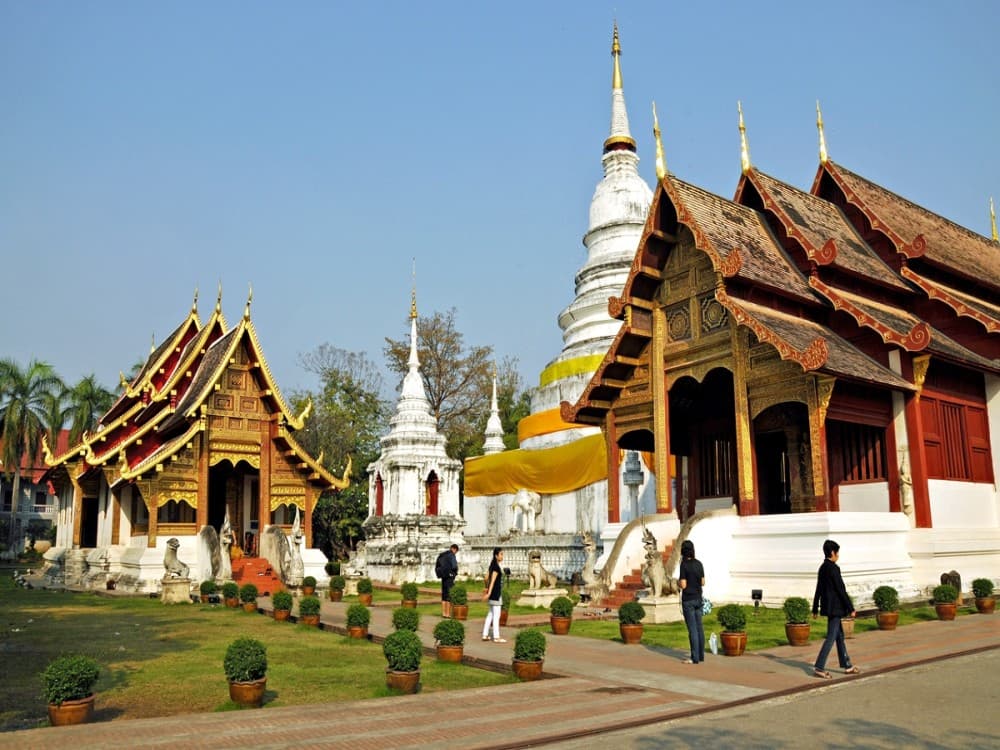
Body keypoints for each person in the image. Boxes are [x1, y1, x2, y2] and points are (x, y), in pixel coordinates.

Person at [812, 539, 860, 679]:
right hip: (836, 608)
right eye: (837, 552)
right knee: (831, 637)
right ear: (832, 552)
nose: (838, 555)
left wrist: (815, 608)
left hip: (828, 607)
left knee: (839, 637)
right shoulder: (834, 568)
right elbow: (841, 589)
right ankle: (819, 666)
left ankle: (847, 665)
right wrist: (850, 607)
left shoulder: (822, 568)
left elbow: (818, 589)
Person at [678, 539, 705, 664]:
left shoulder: (684, 565)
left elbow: (683, 585)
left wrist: (678, 582)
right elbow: (703, 582)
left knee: (692, 629)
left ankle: (694, 658)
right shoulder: (699, 564)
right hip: (699, 598)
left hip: (688, 599)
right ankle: (700, 655)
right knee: (699, 627)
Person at [481, 547, 506, 642]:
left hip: (493, 593)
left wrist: (486, 588)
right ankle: (496, 637)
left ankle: (485, 634)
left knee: (490, 614)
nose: (502, 556)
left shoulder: (492, 565)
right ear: (496, 556)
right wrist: (489, 592)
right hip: (495, 593)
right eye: (501, 554)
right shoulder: (495, 567)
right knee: (496, 615)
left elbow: (486, 578)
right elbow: (492, 581)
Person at [441, 543, 459, 618]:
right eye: (456, 551)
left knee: (444, 595)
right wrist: (455, 571)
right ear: (454, 549)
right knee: (449, 596)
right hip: (450, 577)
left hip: (443, 577)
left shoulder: (444, 555)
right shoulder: (452, 555)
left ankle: (444, 613)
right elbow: (454, 566)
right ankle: (448, 614)